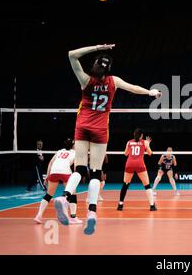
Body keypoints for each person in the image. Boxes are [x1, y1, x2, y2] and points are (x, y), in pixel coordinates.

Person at [54, 44, 161, 235]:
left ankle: (64, 196)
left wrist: (98, 47)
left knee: (79, 168)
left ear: (95, 64)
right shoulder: (113, 81)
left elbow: (71, 55)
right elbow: (134, 88)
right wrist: (151, 93)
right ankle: (92, 213)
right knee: (96, 172)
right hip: (100, 129)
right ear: (108, 68)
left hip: (82, 126)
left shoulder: (85, 79)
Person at [34, 138, 81, 224]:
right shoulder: (75, 153)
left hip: (54, 171)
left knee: (48, 195)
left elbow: (51, 163)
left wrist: (47, 176)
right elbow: (75, 167)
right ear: (73, 145)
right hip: (65, 172)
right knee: (72, 194)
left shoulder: (59, 151)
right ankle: (73, 217)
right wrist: (75, 178)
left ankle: (39, 216)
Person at [117, 129, 157, 211]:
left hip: (129, 164)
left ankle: (120, 205)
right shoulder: (145, 142)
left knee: (125, 184)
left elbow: (125, 154)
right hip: (140, 164)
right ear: (142, 135)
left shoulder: (129, 142)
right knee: (147, 185)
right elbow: (150, 153)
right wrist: (148, 144)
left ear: (134, 134)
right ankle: (152, 206)